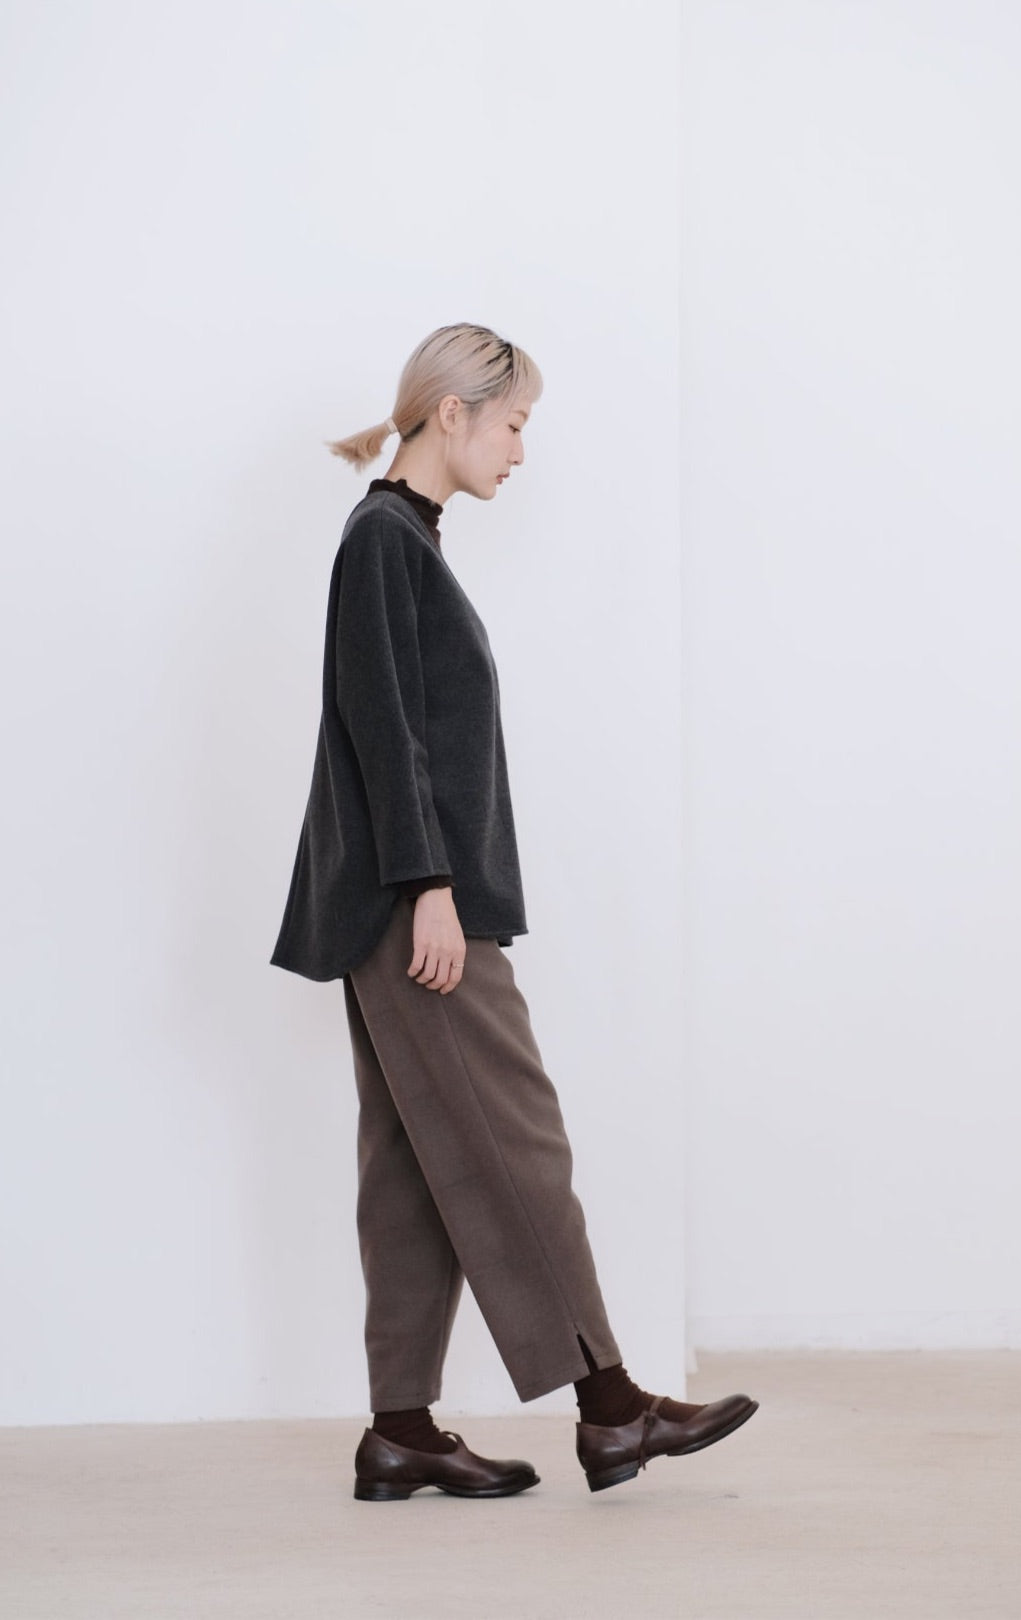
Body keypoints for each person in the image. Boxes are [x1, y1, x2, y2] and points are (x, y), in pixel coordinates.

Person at [270, 322, 758, 1500]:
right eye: (515, 423)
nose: (521, 451)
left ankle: (400, 1431)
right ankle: (613, 1410)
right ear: (453, 413)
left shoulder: (402, 541)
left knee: (410, 1167)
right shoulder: (383, 542)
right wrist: (430, 888)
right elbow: (385, 732)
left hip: (399, 899)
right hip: (417, 905)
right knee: (518, 1142)